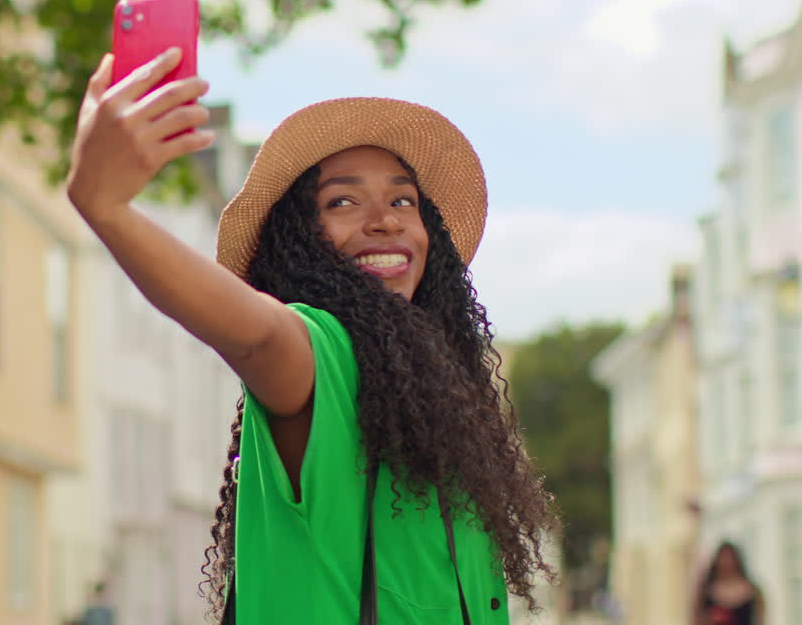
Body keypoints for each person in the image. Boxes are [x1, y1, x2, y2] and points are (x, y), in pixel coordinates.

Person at [66, 47, 558, 623]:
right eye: (342, 201)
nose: (386, 219)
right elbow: (256, 334)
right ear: (297, 242)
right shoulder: (322, 350)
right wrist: (106, 209)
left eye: (404, 199)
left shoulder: (444, 403)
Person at [693, 542, 764, 625]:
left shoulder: (753, 591)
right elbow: (697, 618)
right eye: (723, 557)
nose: (726, 562)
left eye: (729, 557)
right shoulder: (705, 592)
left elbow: (760, 619)